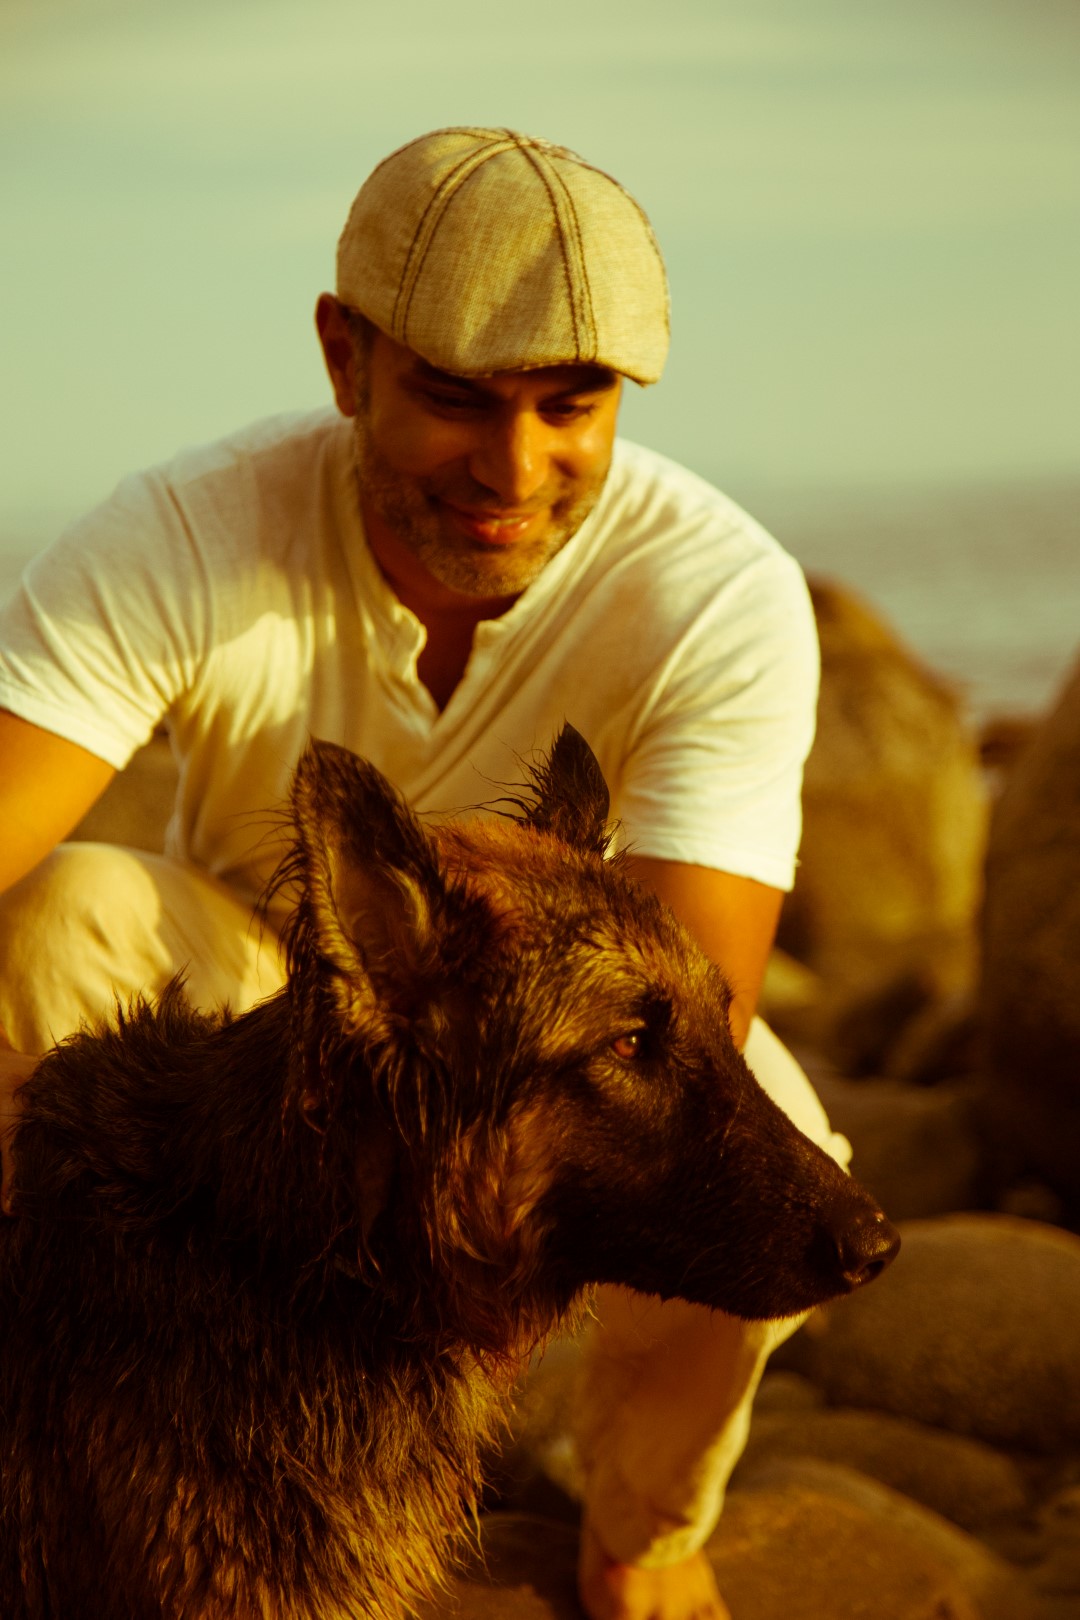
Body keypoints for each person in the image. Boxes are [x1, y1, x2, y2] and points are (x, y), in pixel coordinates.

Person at [0, 127, 849, 1620]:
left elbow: (698, 997)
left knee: (760, 1127)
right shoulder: (188, 528)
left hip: (568, 1030)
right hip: (255, 1035)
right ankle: (81, 1408)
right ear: (348, 358)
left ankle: (640, 1529)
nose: (512, 471)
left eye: (570, 407)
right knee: (68, 915)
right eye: (456, 398)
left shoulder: (716, 591)